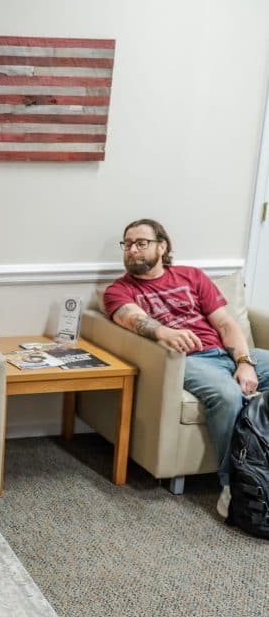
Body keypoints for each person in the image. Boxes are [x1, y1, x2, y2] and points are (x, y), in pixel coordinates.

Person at [104, 218, 269, 518]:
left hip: (224, 352)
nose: (132, 250)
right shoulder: (119, 290)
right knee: (228, 396)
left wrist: (244, 363)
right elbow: (132, 318)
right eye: (127, 244)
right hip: (187, 360)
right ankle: (233, 484)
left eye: (141, 243)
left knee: (247, 376)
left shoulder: (191, 276)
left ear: (162, 246)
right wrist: (165, 332)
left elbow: (225, 323)